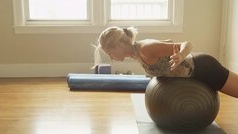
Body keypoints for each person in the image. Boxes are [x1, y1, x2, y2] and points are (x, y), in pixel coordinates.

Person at [95, 26, 238, 98]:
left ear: (118, 45)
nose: (111, 57)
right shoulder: (136, 53)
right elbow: (168, 42)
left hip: (204, 68)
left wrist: (180, 55)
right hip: (196, 73)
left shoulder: (145, 49)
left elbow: (186, 43)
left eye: (110, 52)